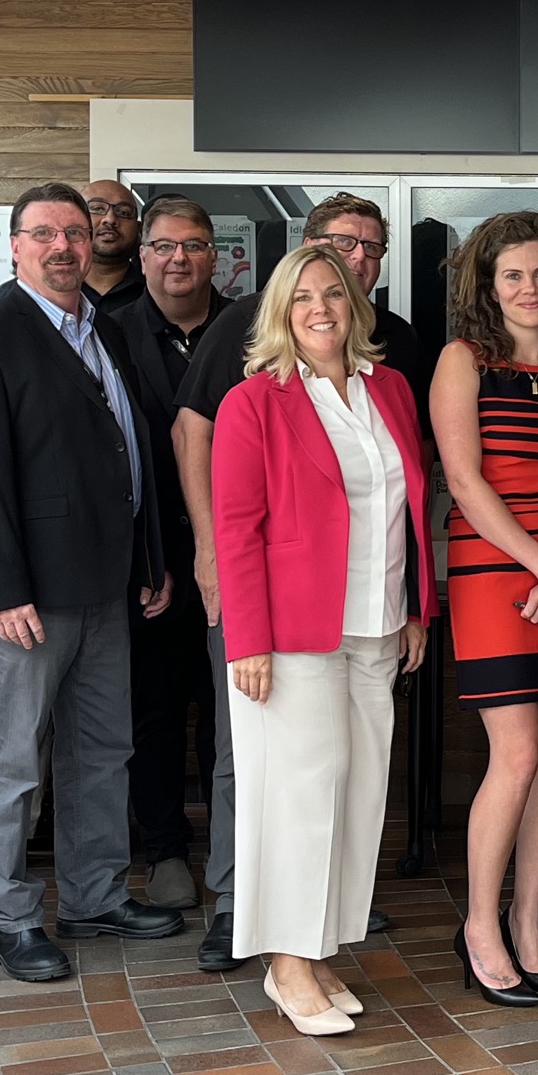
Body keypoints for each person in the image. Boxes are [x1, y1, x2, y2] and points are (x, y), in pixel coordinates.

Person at [178, 192, 429, 974]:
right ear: (280, 313)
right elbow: (237, 530)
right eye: (304, 298)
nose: (321, 309)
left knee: (356, 799)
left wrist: (417, 607)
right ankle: (289, 966)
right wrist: (245, 640)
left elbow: (412, 505)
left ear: (356, 305)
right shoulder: (254, 402)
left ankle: (324, 950)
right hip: (291, 635)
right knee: (295, 801)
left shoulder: (388, 390)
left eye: (334, 295)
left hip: (377, 627)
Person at [0, 183, 184, 983]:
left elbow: (132, 456)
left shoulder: (104, 330)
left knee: (101, 751)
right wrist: (2, 589)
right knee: (11, 763)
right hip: (28, 599)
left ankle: (93, 896)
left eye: (75, 233)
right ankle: (11, 919)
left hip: (108, 590)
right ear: (14, 246)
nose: (63, 246)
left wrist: (150, 564)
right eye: (43, 233)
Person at [434, 210, 538, 1005]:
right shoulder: (463, 360)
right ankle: (478, 926)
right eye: (512, 275)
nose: (528, 288)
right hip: (495, 573)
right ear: (487, 285)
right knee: (520, 753)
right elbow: (465, 483)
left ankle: (529, 923)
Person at [120, 195, 230, 913]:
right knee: (151, 713)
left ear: (216, 254)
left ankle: (233, 851)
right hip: (148, 558)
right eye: (163, 246)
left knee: (231, 713)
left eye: (192, 245)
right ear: (142, 255)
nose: (178, 259)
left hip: (235, 555)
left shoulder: (251, 328)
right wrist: (139, 558)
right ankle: (164, 850)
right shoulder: (107, 332)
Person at [81, 177, 147, 314]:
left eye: (124, 212)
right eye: (97, 208)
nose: (110, 220)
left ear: (138, 229)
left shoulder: (155, 292)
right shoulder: (51, 288)